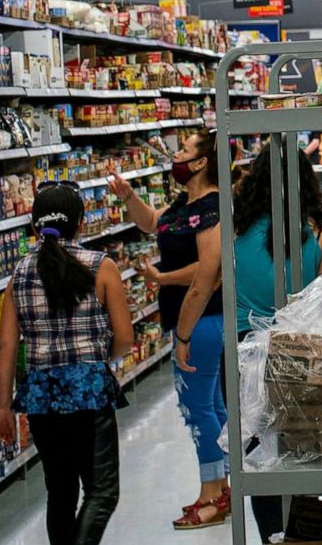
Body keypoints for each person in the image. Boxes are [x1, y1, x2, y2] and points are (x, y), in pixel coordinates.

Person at [173, 140, 322, 543]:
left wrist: (182, 337)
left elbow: (199, 289)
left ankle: (270, 535)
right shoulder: (319, 234)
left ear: (253, 181)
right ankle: (303, 531)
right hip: (302, 358)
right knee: (301, 451)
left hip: (245, 358)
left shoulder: (228, 231)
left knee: (256, 455)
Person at [0, 184, 134, 545]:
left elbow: (8, 346)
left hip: (41, 396)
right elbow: (124, 336)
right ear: (82, 223)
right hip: (89, 391)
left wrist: (3, 408)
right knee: (101, 491)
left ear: (34, 225)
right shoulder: (101, 267)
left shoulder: (19, 274)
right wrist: (101, 362)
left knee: (60, 492)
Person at [109, 131, 230, 530]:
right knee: (210, 405)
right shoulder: (185, 203)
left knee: (197, 409)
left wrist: (162, 279)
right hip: (190, 319)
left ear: (200, 163)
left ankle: (213, 493)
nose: (176, 155)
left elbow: (207, 269)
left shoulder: (211, 206)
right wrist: (128, 195)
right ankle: (221, 486)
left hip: (202, 319)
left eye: (184, 150)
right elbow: (150, 223)